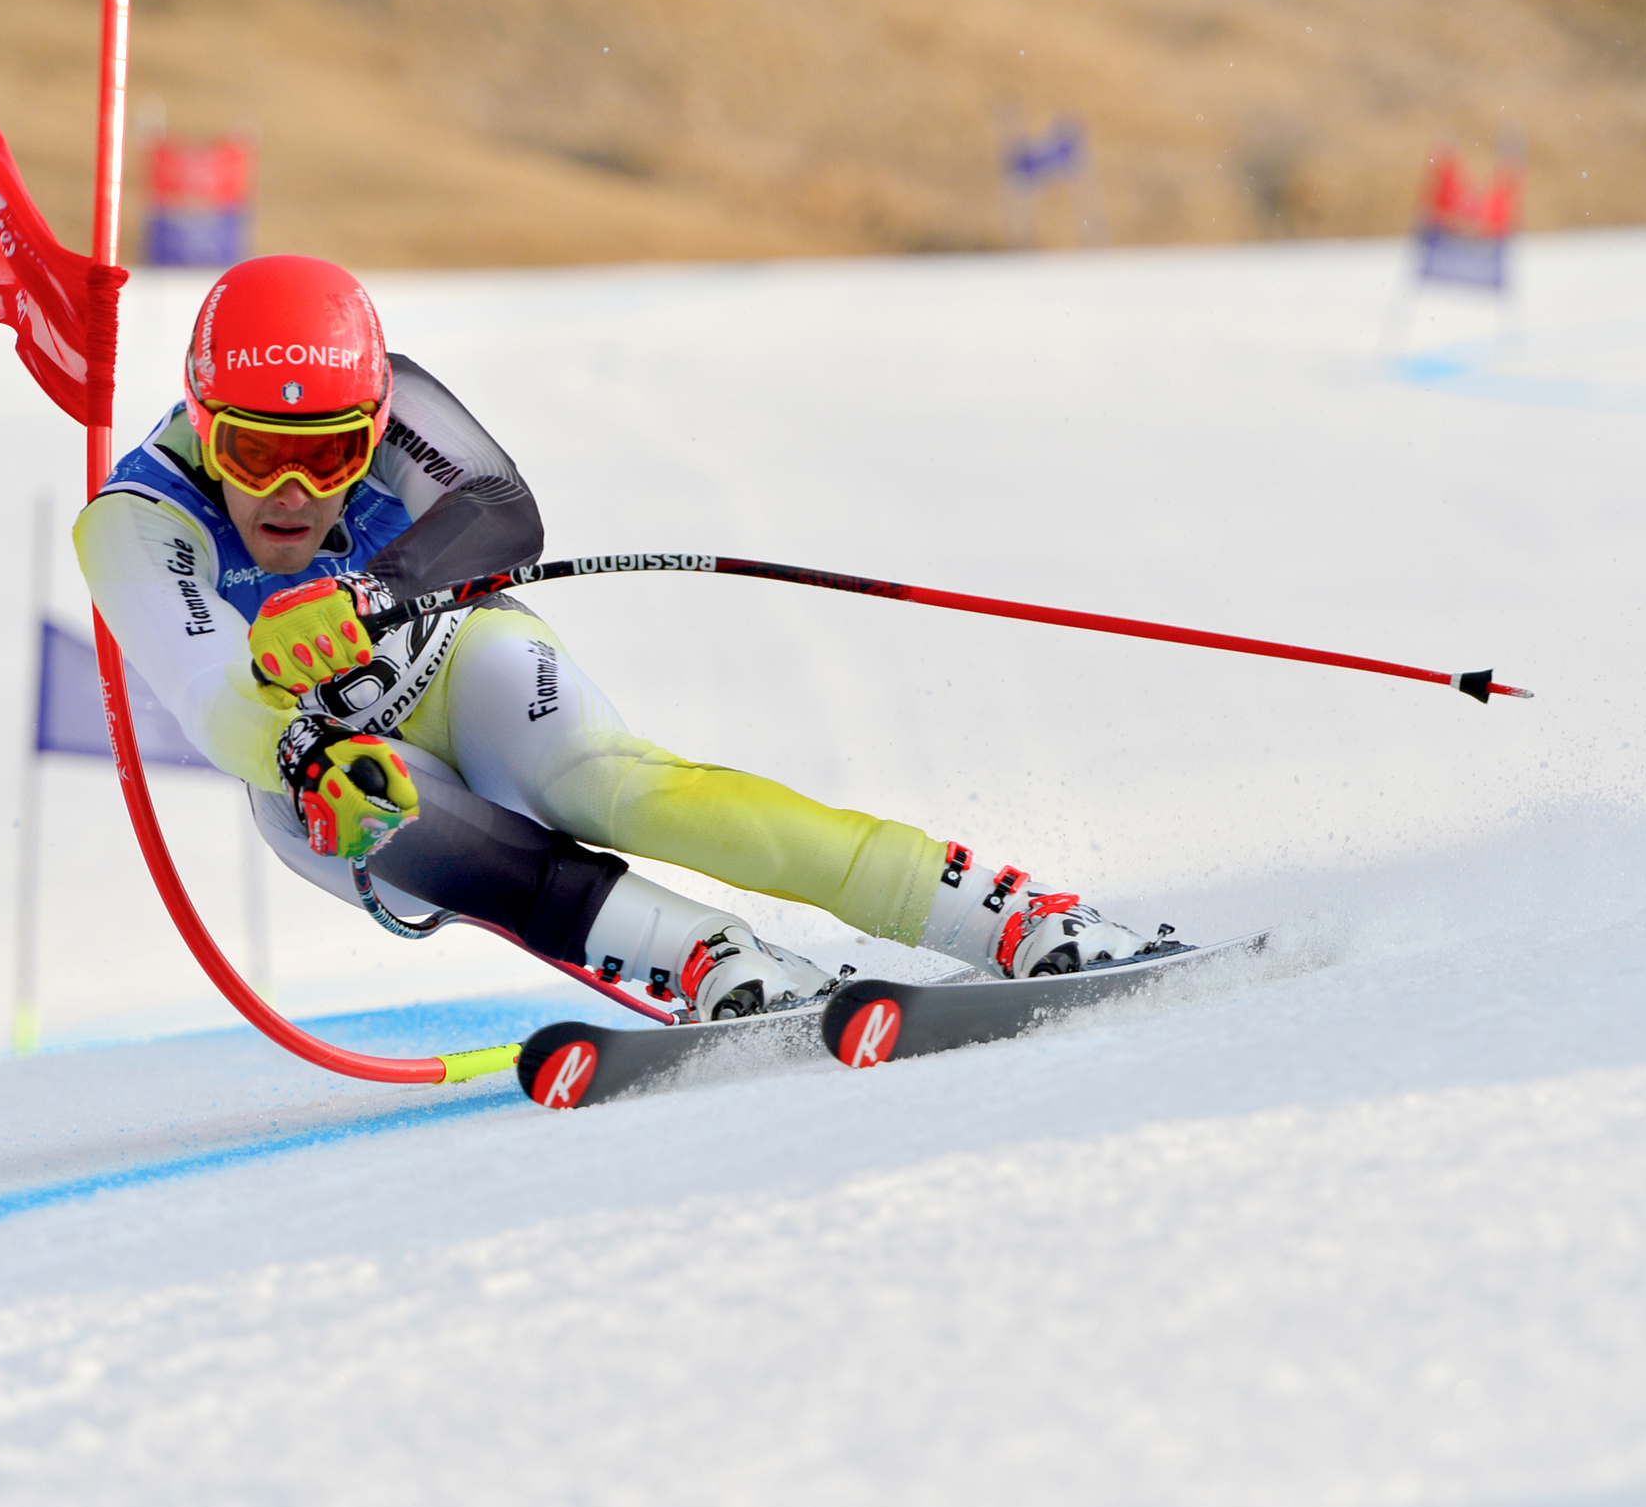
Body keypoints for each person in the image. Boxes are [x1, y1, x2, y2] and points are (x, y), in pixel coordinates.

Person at [76, 254, 1155, 1022]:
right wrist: (302, 753)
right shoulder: (136, 518)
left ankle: (994, 912)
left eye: (330, 455)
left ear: (370, 423)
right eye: (253, 451)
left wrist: (369, 587)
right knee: (383, 812)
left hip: (451, 660)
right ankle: (702, 958)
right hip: (312, 766)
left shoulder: (395, 396)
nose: (292, 490)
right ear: (201, 421)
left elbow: (503, 509)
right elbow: (206, 689)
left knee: (619, 788)